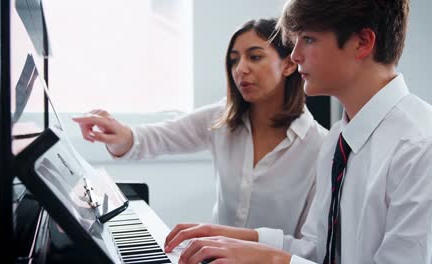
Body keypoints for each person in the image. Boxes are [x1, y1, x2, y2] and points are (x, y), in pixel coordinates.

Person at [163, 0, 432, 263]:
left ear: (362, 42)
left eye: (308, 39)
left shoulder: (425, 148)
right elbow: (319, 250)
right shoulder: (339, 140)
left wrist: (274, 260)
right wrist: (233, 238)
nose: (295, 54)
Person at [73, 18, 328, 237]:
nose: (240, 69)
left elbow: (311, 247)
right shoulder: (221, 118)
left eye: (255, 57)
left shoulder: (320, 147)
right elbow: (152, 139)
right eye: (233, 60)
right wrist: (116, 134)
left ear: (289, 64)